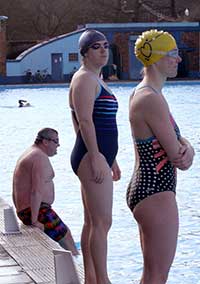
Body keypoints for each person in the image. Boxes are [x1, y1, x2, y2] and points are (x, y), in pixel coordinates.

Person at [126, 29, 195, 284]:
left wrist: (186, 144)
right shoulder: (150, 99)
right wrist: (188, 148)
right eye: (173, 53)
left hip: (146, 187)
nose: (178, 59)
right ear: (155, 58)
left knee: (151, 275)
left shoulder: (144, 93)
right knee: (157, 276)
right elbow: (179, 157)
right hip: (156, 191)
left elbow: (178, 142)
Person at [69, 30, 121, 284]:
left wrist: (110, 158)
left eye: (105, 46)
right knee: (103, 221)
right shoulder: (85, 79)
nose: (103, 50)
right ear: (84, 53)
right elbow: (84, 121)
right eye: (96, 47)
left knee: (92, 221)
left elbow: (98, 122)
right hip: (91, 156)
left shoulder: (95, 78)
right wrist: (96, 156)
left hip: (97, 155)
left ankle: (91, 279)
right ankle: (103, 280)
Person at [12, 128, 78, 256]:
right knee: (67, 239)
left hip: (29, 210)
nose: (58, 145)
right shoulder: (38, 157)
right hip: (37, 211)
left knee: (65, 237)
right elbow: (36, 191)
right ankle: (79, 271)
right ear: (45, 142)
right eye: (56, 141)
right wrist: (35, 220)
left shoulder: (31, 153)